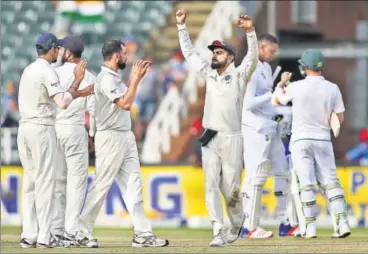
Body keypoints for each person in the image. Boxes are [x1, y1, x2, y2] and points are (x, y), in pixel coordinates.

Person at [176, 8, 258, 246]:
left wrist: (250, 31)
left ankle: (235, 222)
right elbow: (190, 55)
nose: (214, 55)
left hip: (233, 137)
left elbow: (252, 57)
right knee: (210, 183)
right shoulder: (210, 75)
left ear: (230, 57)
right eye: (213, 52)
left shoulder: (240, 75)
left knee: (231, 189)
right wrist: (182, 27)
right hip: (210, 135)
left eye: (219, 52)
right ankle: (217, 229)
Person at [76, 40, 169, 248]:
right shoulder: (106, 79)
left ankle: (142, 233)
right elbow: (126, 104)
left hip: (124, 136)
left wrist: (136, 79)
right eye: (125, 54)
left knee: (134, 186)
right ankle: (81, 231)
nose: (127, 58)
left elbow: (126, 102)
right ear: (117, 56)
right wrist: (136, 79)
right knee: (102, 185)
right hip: (110, 137)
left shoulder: (114, 78)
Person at [17, 32, 93, 248]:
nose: (58, 51)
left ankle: (29, 234)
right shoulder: (47, 71)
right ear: (50, 49)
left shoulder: (28, 69)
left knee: (30, 182)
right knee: (44, 182)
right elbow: (62, 102)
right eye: (56, 48)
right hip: (42, 128)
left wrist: (76, 90)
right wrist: (77, 82)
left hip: (25, 128)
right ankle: (44, 236)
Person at [272, 49, 351, 238]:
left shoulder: (296, 86)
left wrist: (282, 83)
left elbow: (276, 100)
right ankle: (342, 224)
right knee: (331, 183)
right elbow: (340, 119)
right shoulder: (333, 88)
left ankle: (309, 227)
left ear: (305, 67)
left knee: (304, 184)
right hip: (323, 139)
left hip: (300, 140)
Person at [240, 34, 292, 238]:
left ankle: (287, 222)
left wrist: (278, 116)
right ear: (260, 47)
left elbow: (268, 104)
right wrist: (273, 93)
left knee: (282, 172)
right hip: (255, 129)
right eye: (271, 51)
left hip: (270, 127)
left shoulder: (267, 68)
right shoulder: (249, 67)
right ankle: (249, 227)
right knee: (256, 176)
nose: (273, 55)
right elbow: (249, 103)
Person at [51, 35, 96, 244]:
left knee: (58, 181)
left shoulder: (53, 72)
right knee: (76, 183)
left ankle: (56, 230)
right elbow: (94, 110)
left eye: (62, 49)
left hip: (53, 129)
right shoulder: (90, 76)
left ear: (68, 53)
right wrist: (92, 134)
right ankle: (70, 230)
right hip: (75, 129)